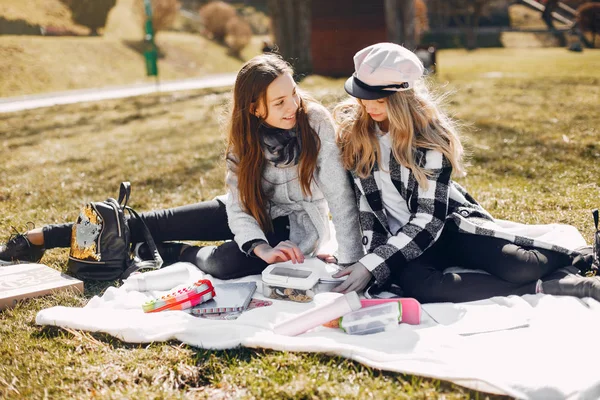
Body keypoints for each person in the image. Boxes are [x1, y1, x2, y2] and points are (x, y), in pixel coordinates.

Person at [0, 53, 365, 279]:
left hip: (293, 224)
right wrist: (255, 241)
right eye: (280, 101)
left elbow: (339, 195)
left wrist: (349, 260)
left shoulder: (314, 122)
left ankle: (176, 252)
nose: (292, 107)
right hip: (248, 214)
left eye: (294, 95)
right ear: (255, 108)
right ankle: (40, 238)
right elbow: (238, 206)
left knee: (226, 265)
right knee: (150, 221)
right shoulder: (245, 137)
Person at [331, 42, 599, 303]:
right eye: (363, 98)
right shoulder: (354, 135)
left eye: (378, 100)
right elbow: (352, 202)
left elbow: (429, 220)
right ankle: (546, 286)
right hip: (399, 243)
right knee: (421, 288)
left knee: (521, 267)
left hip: (447, 226)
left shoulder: (431, 141)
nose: (368, 107)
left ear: (403, 98)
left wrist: (371, 265)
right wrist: (369, 260)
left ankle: (579, 258)